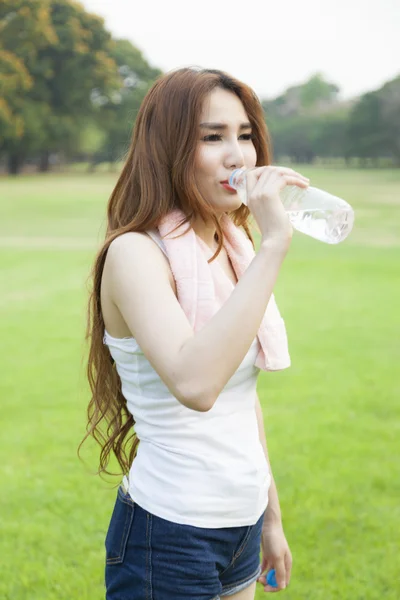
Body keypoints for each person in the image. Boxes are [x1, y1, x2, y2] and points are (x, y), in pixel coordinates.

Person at [81, 66, 310, 600]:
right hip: (170, 532)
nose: (239, 156)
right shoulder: (136, 253)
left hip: (242, 523)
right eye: (213, 138)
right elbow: (197, 384)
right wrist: (276, 244)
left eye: (246, 135)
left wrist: (270, 520)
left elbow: (240, 401)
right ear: (170, 149)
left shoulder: (233, 249)